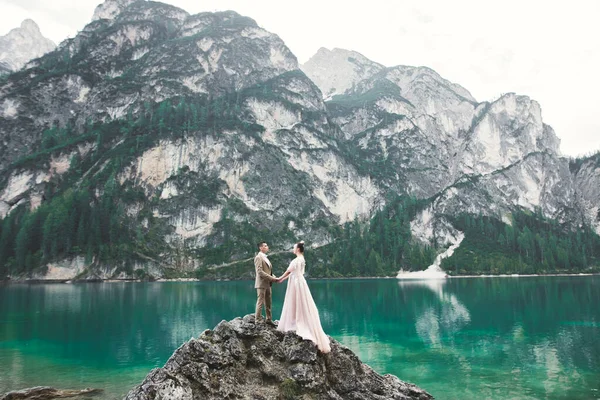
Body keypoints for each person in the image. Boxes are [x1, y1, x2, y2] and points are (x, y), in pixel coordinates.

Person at [276, 241, 330, 353]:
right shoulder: (302, 259)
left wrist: (280, 278)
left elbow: (288, 271)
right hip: (300, 282)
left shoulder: (296, 260)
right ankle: (297, 319)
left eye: (294, 247)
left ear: (298, 249)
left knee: (295, 302)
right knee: (302, 302)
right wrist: (283, 279)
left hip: (296, 283)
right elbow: (294, 272)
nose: (293, 249)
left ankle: (294, 321)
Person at [254, 241, 278, 325]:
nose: (267, 247)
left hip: (268, 283)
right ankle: (257, 320)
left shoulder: (266, 258)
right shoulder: (258, 257)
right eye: (265, 246)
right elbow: (259, 272)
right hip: (261, 283)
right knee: (260, 302)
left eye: (267, 245)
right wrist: (272, 278)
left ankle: (269, 319)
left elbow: (268, 271)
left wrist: (274, 277)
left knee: (268, 302)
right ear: (261, 248)